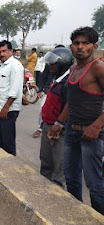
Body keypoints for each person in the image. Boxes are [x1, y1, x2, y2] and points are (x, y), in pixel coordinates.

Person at [48, 27, 104, 215]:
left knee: (94, 183)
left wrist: (97, 126)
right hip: (72, 131)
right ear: (71, 47)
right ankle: (77, 215)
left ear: (94, 46)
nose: (80, 47)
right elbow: (71, 102)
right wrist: (59, 124)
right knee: (71, 178)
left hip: (92, 135)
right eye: (77, 43)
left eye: (85, 43)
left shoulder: (98, 67)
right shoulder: (73, 69)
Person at [39, 47, 74, 187]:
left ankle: (56, 193)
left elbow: (69, 108)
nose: (50, 66)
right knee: (45, 160)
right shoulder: (56, 80)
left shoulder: (67, 83)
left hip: (58, 130)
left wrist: (58, 126)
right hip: (47, 125)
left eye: (53, 63)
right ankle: (43, 186)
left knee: (58, 165)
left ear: (62, 63)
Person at [0, 40, 24, 156]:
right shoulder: (3, 65)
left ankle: (11, 167)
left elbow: (14, 90)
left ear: (11, 51)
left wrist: (6, 108)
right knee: (1, 139)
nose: (2, 54)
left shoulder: (15, 66)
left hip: (7, 110)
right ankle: (2, 162)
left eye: (4, 51)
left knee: (7, 141)